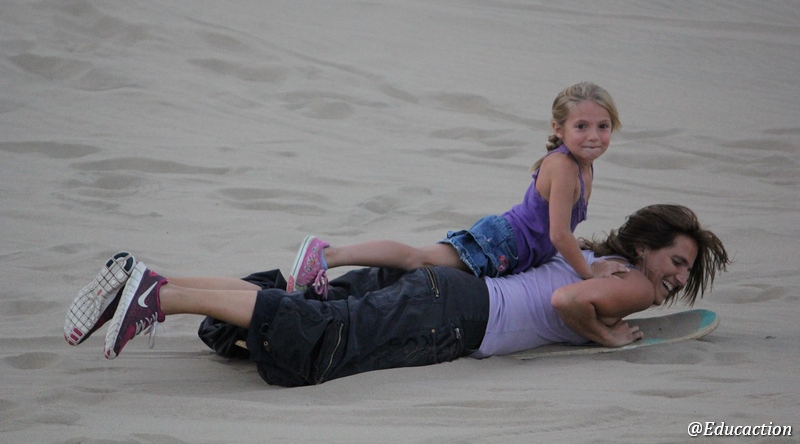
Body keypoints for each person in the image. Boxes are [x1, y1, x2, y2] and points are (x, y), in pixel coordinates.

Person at [64, 204, 729, 387]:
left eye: (683, 274)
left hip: (449, 288)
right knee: (323, 339)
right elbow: (567, 305)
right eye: (675, 263)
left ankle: (153, 278)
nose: (672, 281)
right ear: (649, 246)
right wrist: (607, 334)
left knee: (315, 307)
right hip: (457, 315)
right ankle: (161, 300)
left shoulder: (594, 253)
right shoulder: (631, 283)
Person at [287, 82, 626, 300]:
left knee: (419, 261)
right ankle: (328, 255)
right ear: (559, 129)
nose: (593, 136)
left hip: (512, 246)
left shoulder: (583, 164)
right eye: (581, 126)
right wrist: (589, 271)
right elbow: (558, 233)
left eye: (603, 126)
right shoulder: (564, 166)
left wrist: (572, 242)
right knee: (417, 259)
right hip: (501, 244)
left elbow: (556, 224)